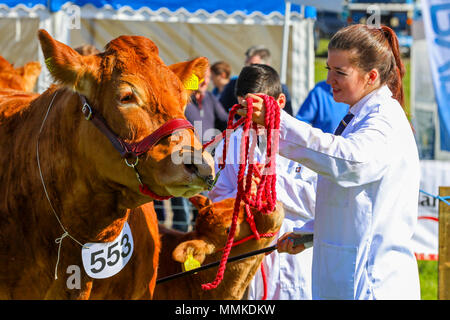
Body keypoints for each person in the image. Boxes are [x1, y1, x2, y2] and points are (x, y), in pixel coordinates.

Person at [238, 24, 421, 300]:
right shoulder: (359, 117)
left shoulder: (384, 121)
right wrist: (311, 232)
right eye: (328, 70)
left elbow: (349, 163)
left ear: (371, 76)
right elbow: (351, 200)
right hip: (347, 275)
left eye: (340, 73)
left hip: (373, 282)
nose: (329, 80)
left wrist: (281, 122)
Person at [209, 64, 317, 300]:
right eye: (243, 111)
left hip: (297, 257)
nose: (251, 119)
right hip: (252, 258)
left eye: (257, 111)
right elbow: (218, 197)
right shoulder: (232, 145)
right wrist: (243, 195)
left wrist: (269, 187)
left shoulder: (307, 141)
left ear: (279, 101)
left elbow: (319, 201)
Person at [219, 45, 293, 116]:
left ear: (266, 66)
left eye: (253, 66)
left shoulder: (280, 88)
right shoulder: (234, 84)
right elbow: (221, 111)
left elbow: (286, 117)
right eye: (246, 65)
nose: (248, 69)